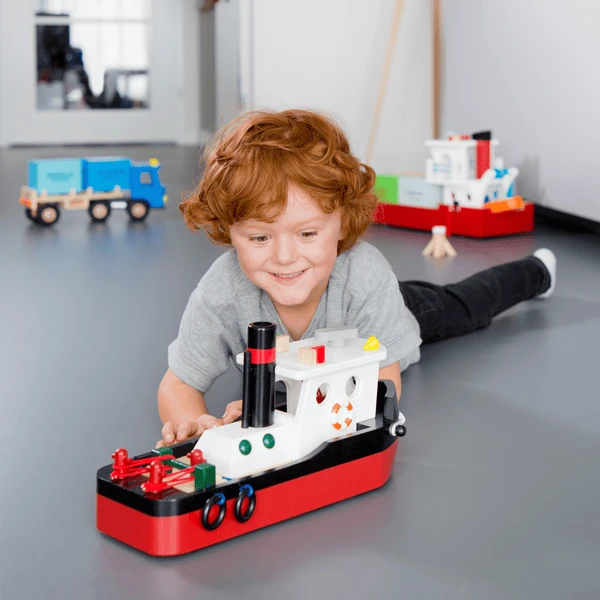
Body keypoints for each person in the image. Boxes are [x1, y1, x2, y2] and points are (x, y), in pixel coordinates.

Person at [157, 109, 556, 447]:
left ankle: (537, 272)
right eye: (260, 237)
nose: (284, 257)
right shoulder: (221, 292)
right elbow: (177, 386)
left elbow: (384, 383)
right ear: (230, 231)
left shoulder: (364, 275)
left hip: (389, 311)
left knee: (467, 304)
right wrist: (196, 427)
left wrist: (282, 412)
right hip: (354, 303)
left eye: (307, 234)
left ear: (343, 221)